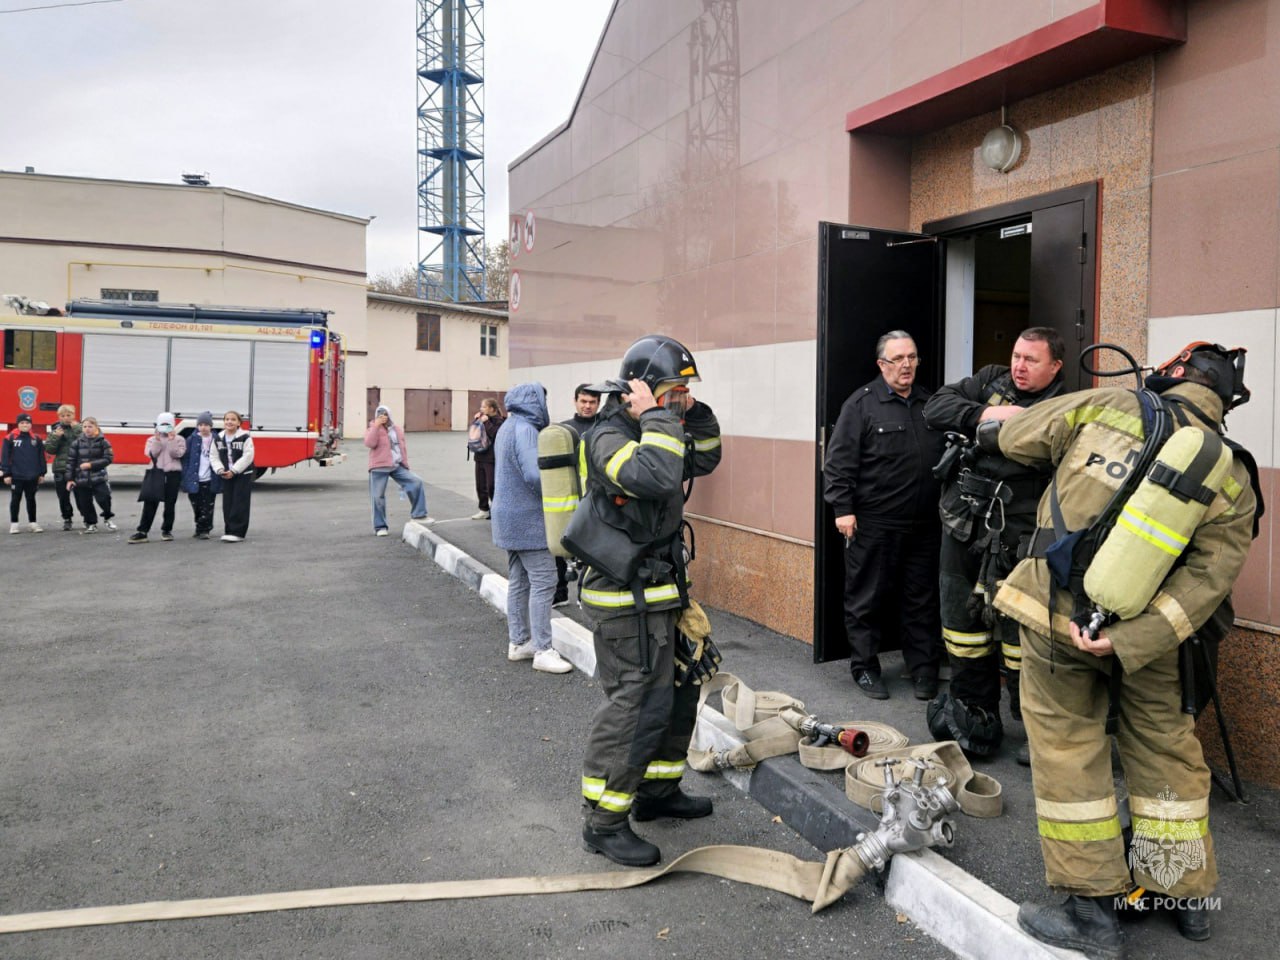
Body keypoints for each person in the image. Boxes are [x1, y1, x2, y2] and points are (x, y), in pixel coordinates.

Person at [985, 343, 1258, 956]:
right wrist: (1131, 638)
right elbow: (1206, 586)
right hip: (1152, 643)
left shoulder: (1110, 404)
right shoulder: (1233, 472)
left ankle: (1092, 912)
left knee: (1068, 749)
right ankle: (1182, 894)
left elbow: (1016, 438)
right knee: (1167, 751)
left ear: (1178, 374)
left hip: (1057, 617)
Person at [575, 334, 722, 868]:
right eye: (671, 390)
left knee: (678, 692)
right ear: (639, 391)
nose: (678, 399)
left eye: (682, 392)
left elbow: (703, 459)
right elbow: (658, 475)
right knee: (635, 703)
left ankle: (656, 792)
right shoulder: (609, 437)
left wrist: (687, 408)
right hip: (621, 598)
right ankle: (604, 820)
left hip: (660, 591)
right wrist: (658, 417)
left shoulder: (659, 427)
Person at [923, 327, 1067, 761]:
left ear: (1055, 366)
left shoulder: (1065, 408)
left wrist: (1000, 429)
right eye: (1017, 356)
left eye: (1031, 360)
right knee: (961, 629)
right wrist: (989, 413)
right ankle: (976, 716)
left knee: (1021, 639)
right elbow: (937, 407)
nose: (1019, 367)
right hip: (962, 527)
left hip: (1019, 539)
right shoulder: (991, 380)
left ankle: (1035, 730)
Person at [822, 330, 945, 700]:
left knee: (921, 598)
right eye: (897, 359)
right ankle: (864, 668)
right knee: (867, 599)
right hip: (875, 522)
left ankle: (923, 668)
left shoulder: (930, 403)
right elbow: (839, 463)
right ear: (881, 364)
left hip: (924, 524)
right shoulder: (860, 405)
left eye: (912, 357)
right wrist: (842, 509)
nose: (906, 365)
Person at [491, 382, 573, 675]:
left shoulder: (507, 426)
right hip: (527, 519)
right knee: (545, 580)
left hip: (507, 517)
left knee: (519, 580)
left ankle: (519, 642)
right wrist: (559, 495)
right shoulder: (526, 429)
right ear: (534, 401)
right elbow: (534, 474)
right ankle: (543, 649)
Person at [553, 384, 601, 605]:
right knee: (559, 545)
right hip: (567, 497)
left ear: (598, 404)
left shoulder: (605, 429)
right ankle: (559, 593)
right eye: (583, 401)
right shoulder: (564, 430)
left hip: (595, 500)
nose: (587, 406)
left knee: (590, 548)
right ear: (575, 401)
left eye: (592, 402)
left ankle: (584, 594)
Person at [364, 404, 431, 536]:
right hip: (379, 466)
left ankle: (419, 515)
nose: (383, 417)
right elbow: (369, 443)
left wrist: (405, 465)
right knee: (377, 497)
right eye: (380, 414)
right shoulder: (372, 428)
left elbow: (402, 448)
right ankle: (380, 527)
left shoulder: (397, 430)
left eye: (385, 414)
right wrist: (376, 426)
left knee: (416, 482)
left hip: (396, 465)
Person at [128, 412, 187, 544]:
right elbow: (152, 454)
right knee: (150, 502)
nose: (165, 428)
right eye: (163, 424)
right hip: (156, 472)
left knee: (170, 504)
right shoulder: (151, 439)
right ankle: (143, 531)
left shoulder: (180, 439)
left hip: (173, 474)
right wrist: (157, 440)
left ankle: (167, 530)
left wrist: (172, 440)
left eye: (168, 425)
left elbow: (178, 454)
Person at [65, 416, 116, 534]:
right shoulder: (76, 443)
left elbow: (108, 459)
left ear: (96, 427)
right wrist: (70, 479)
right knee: (84, 503)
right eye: (85, 427)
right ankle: (91, 523)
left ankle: (108, 518)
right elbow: (70, 462)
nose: (87, 429)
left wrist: (91, 465)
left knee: (104, 498)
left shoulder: (103, 441)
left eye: (90, 426)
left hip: (98, 477)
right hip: (81, 478)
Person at [211, 411, 255, 542]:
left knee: (240, 502)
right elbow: (213, 456)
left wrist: (234, 470)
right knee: (228, 502)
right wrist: (220, 470)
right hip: (226, 474)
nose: (229, 422)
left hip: (242, 474)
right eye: (227, 419)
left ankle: (238, 532)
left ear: (238, 423)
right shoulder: (218, 438)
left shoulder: (245, 437)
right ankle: (229, 530)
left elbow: (248, 456)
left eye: (233, 419)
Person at [2, 413, 47, 533]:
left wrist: (42, 473)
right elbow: (5, 457)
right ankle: (14, 524)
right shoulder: (10, 438)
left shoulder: (36, 439)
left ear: (31, 424)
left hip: (32, 475)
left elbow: (41, 457)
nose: (25, 425)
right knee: (15, 499)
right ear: (18, 424)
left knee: (31, 499)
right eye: (22, 423)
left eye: (27, 423)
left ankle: (33, 523)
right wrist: (6, 474)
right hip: (16, 475)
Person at [180, 411, 221, 540]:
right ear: (197, 426)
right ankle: (199, 526)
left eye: (206, 424)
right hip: (195, 479)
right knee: (196, 504)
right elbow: (185, 459)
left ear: (211, 426)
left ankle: (205, 529)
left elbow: (222, 456)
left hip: (210, 478)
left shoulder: (217, 439)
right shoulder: (191, 439)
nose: (203, 427)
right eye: (201, 424)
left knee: (208, 505)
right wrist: (185, 475)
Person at [42, 404, 81, 531]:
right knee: (63, 496)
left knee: (81, 495)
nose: (66, 418)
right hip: (60, 468)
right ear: (59, 417)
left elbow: (86, 443)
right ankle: (67, 518)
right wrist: (55, 437)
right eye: (63, 416)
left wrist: (76, 429)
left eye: (68, 415)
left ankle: (88, 518)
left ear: (73, 416)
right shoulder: (55, 430)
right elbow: (50, 450)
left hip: (77, 467)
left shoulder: (80, 428)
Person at [469, 398, 504, 520]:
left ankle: (497, 508)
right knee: (480, 485)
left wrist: (486, 422)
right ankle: (483, 509)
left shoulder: (499, 421)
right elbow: (475, 433)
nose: (481, 409)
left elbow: (495, 434)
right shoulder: (481, 418)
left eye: (484, 407)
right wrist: (476, 420)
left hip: (491, 458)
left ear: (492, 409)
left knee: (491, 485)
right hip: (479, 455)